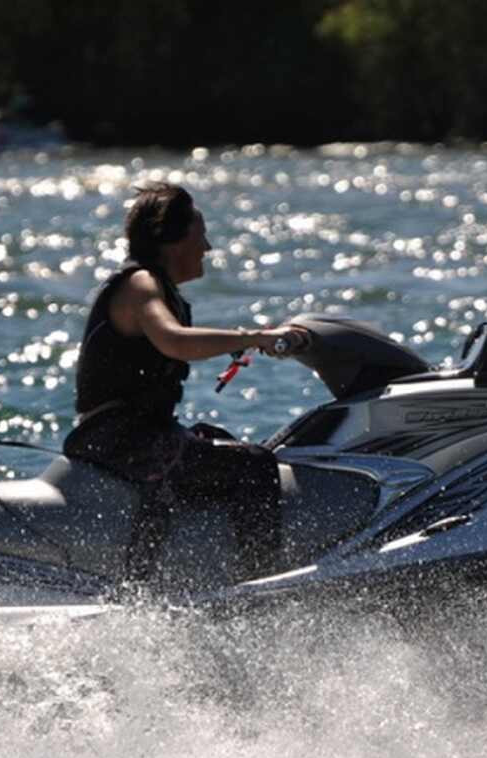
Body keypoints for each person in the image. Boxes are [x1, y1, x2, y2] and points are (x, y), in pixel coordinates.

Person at [64, 183, 309, 582]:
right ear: (170, 240)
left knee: (220, 441)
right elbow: (175, 342)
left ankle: (195, 572)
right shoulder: (140, 284)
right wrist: (252, 337)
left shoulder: (159, 288)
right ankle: (260, 585)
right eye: (201, 235)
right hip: (115, 439)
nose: (208, 247)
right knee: (255, 465)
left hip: (137, 435)